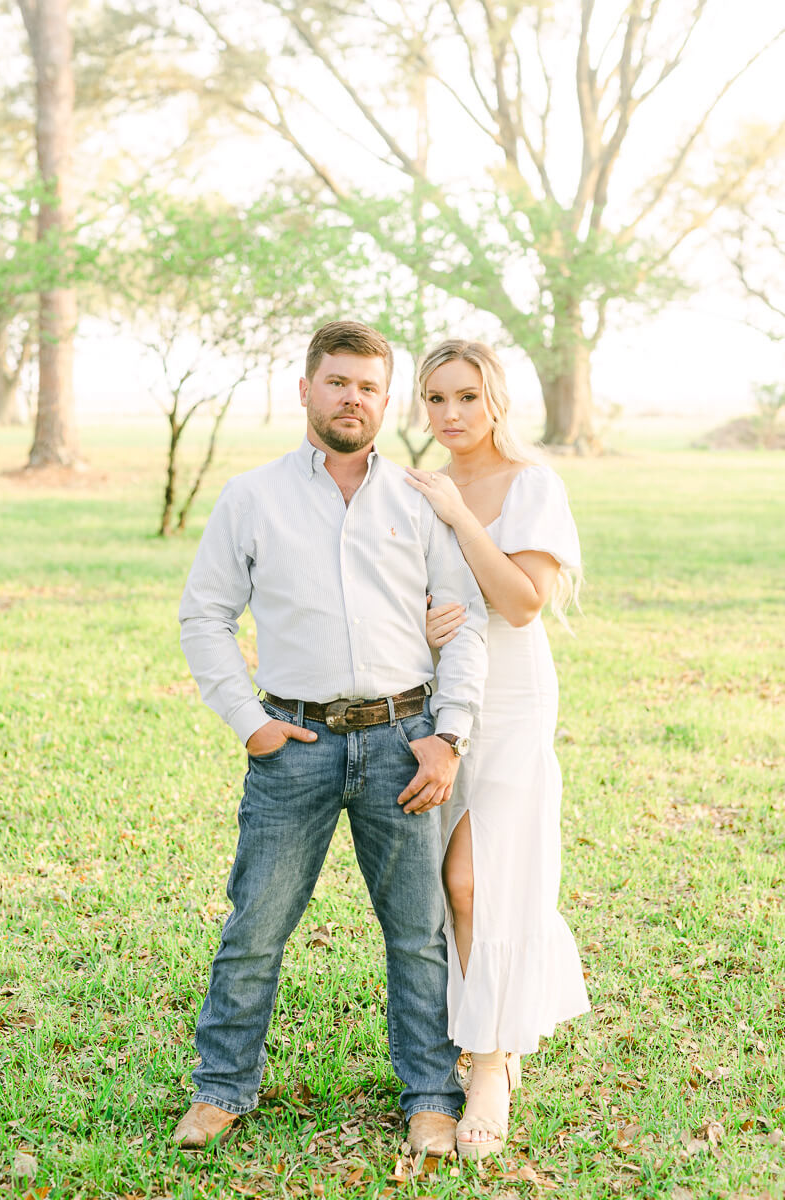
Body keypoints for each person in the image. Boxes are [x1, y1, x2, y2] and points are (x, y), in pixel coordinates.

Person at [174, 321, 489, 1156]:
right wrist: (250, 722)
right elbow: (203, 615)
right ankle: (222, 1087)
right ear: (307, 389)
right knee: (255, 926)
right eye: (340, 382)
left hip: (403, 741)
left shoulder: (418, 500)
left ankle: (430, 1092)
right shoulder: (252, 496)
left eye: (371, 387)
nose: (355, 398)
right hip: (295, 743)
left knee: (417, 932)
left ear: (387, 403)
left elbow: (466, 626)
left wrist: (447, 735)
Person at [405, 339, 590, 1161]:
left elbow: (521, 601)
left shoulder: (530, 485)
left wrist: (456, 516)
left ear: (496, 401)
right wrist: (425, 620)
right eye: (436, 399)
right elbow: (401, 592)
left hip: (513, 698)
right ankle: (484, 1032)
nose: (450, 415)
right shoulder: (413, 487)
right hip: (438, 695)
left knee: (477, 875)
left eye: (467, 398)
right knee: (450, 881)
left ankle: (488, 1063)